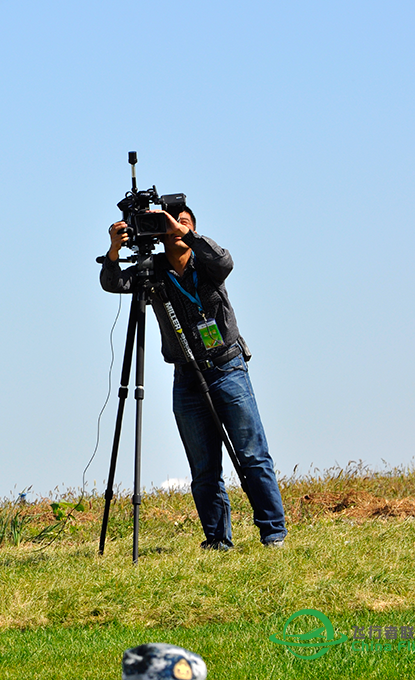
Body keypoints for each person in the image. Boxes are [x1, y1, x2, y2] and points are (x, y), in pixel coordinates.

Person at [100, 208, 287, 550]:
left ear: (192, 230)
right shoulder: (152, 271)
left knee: (252, 455)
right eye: (167, 224)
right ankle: (217, 540)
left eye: (182, 222)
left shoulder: (207, 265)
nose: (174, 228)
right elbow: (113, 283)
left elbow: (224, 260)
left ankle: (273, 533)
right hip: (186, 377)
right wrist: (113, 251)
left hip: (227, 369)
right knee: (203, 468)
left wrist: (185, 234)